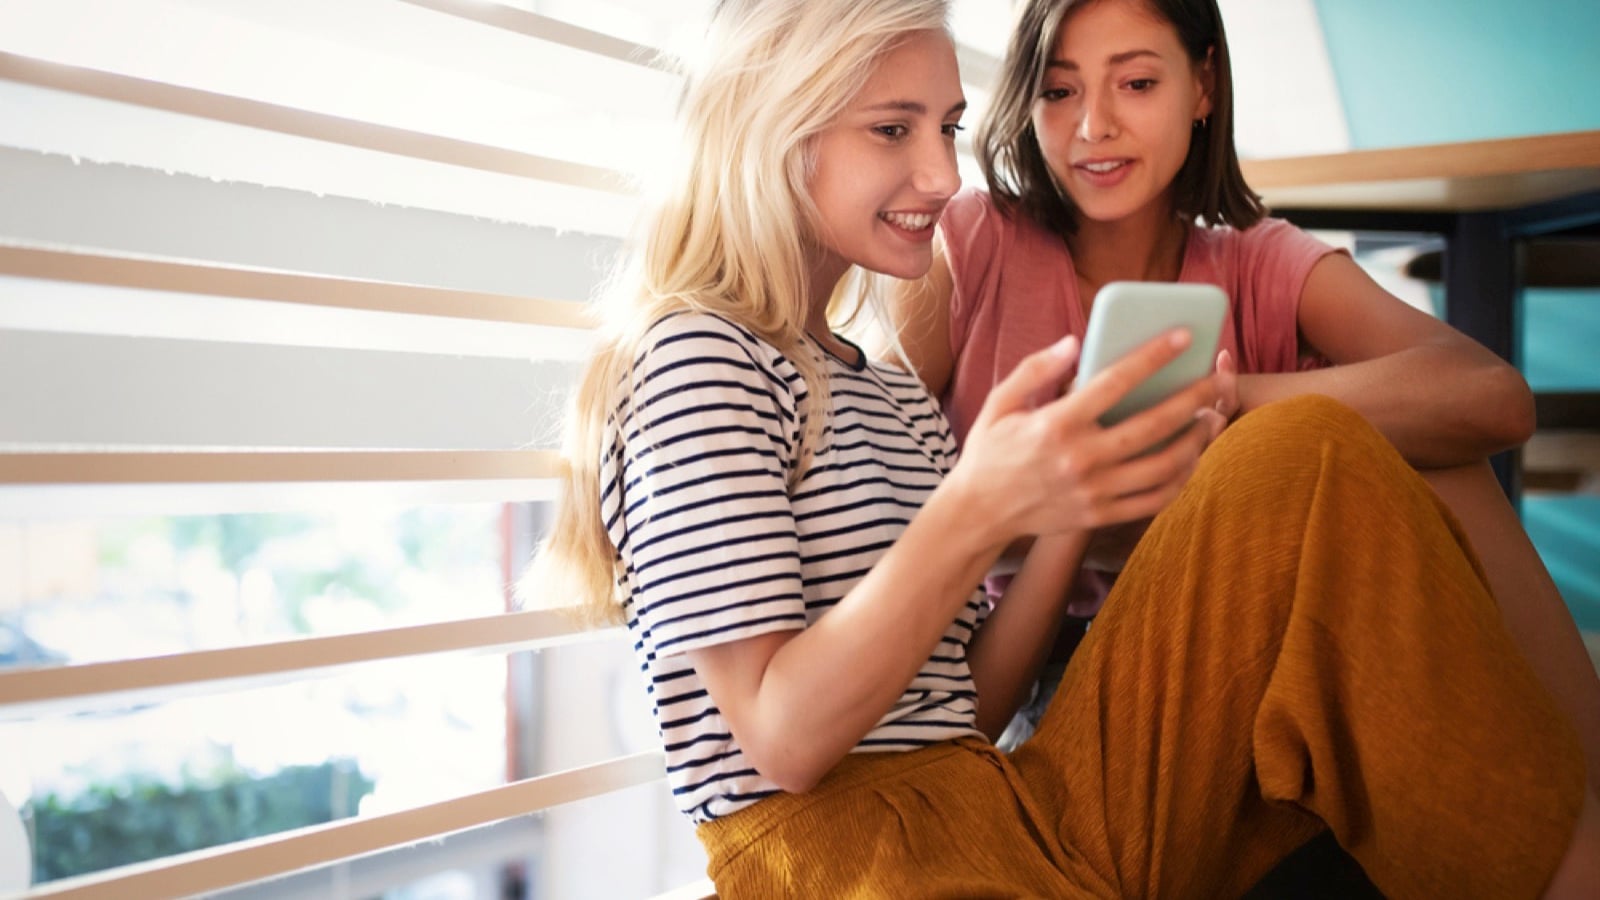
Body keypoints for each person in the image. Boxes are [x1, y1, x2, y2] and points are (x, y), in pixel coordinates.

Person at [531, 0, 1599, 895]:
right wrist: (981, 505)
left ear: (1201, 88)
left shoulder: (885, 389)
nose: (941, 174)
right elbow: (784, 739)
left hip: (1003, 807)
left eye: (947, 129)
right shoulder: (695, 356)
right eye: (892, 130)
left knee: (1306, 448)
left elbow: (971, 709)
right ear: (773, 129)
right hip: (846, 862)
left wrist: (1065, 506)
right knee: (1305, 455)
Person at [884, 0, 1600, 775]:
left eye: (1136, 83)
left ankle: (1585, 785)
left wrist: (1226, 404)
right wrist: (1082, 517)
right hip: (1043, 675)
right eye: (1060, 91)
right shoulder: (974, 242)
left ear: (1203, 87)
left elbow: (1493, 398)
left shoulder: (1257, 263)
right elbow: (874, 504)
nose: (1094, 126)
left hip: (1248, 650)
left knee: (1438, 457)